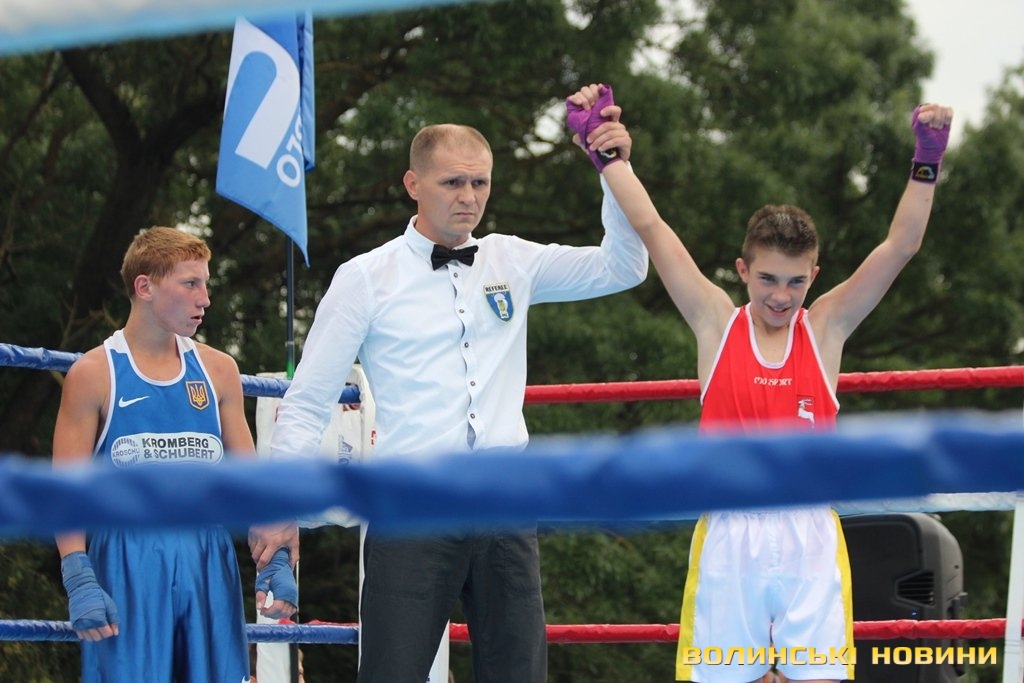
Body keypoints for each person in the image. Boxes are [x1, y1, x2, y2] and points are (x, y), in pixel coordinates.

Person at [566, 84, 952, 683]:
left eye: (795, 282)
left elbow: (901, 246)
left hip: (809, 536)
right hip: (730, 535)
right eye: (768, 279)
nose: (780, 296)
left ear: (813, 276)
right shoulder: (715, 321)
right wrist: (607, 155)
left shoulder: (825, 328)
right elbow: (651, 225)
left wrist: (927, 158)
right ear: (743, 270)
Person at [250, 122, 649, 682]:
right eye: (453, 182)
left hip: (505, 499)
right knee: (392, 675)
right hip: (412, 501)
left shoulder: (513, 260)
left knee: (519, 675)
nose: (469, 196)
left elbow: (625, 266)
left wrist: (613, 169)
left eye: (480, 182)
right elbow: (309, 398)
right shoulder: (366, 277)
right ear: (413, 184)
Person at [52, 226, 297, 682]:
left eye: (206, 284)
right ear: (145, 286)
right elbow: (66, 492)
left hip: (209, 560)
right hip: (126, 559)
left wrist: (276, 558)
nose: (205, 299)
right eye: (190, 284)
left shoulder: (218, 370)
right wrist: (77, 573)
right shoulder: (94, 374)